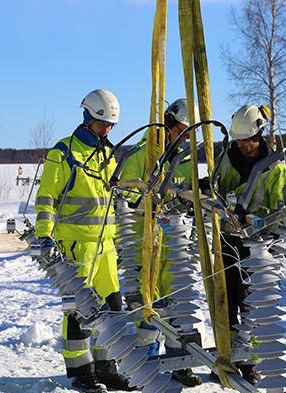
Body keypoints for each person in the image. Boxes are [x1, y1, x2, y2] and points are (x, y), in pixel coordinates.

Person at [35, 89, 132, 393]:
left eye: (110, 127)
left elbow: (114, 196)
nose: (106, 130)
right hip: (75, 246)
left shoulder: (107, 154)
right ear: (87, 118)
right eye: (102, 124)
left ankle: (107, 367)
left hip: (105, 247)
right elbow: (46, 199)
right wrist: (45, 237)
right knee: (80, 312)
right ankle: (81, 371)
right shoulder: (63, 153)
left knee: (112, 308)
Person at [118, 98, 202, 387]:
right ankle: (146, 364)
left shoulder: (187, 159)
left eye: (190, 133)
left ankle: (180, 361)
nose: (186, 137)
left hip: (175, 242)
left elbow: (189, 194)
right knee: (149, 302)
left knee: (178, 301)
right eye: (183, 130)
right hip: (146, 240)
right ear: (169, 124)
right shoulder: (142, 155)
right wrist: (146, 198)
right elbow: (122, 198)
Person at [212, 104, 286, 384]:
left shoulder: (275, 169)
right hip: (227, 240)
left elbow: (285, 211)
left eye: (248, 139)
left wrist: (253, 218)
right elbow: (216, 189)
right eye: (239, 140)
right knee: (226, 300)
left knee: (253, 304)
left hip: (258, 247)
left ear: (259, 135)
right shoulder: (226, 158)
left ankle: (249, 363)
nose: (244, 145)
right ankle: (226, 356)